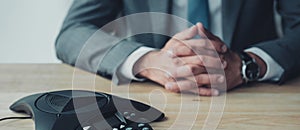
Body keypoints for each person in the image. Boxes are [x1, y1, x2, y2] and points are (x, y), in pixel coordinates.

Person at [55, 0, 300, 96]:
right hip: (155, 97)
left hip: (255, 94)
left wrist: (248, 64)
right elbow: (73, 32)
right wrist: (147, 61)